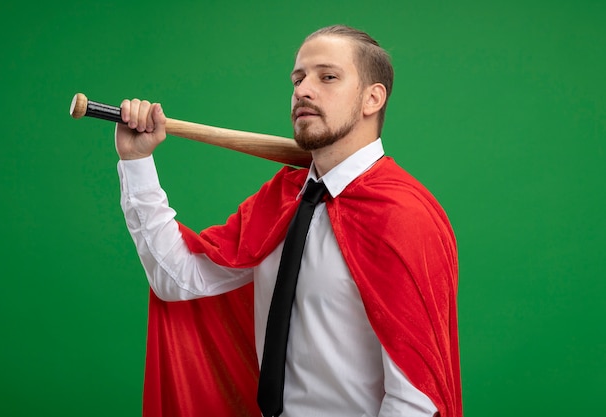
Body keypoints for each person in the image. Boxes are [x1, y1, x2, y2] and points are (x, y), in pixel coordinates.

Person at [116, 25, 462, 417]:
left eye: (327, 76)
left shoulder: (404, 216)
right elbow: (178, 278)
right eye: (298, 78)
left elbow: (416, 397)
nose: (303, 90)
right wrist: (136, 161)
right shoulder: (284, 197)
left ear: (372, 98)